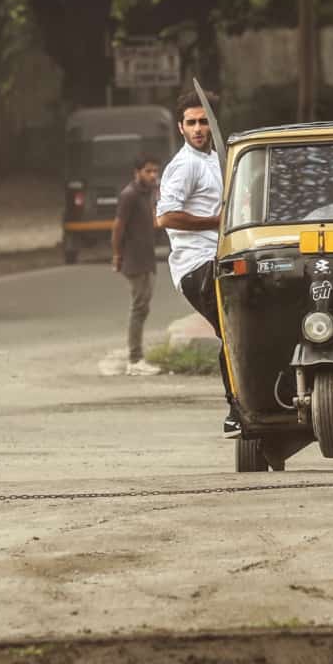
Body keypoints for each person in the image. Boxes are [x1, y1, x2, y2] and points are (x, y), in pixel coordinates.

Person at [156, 87, 239, 437]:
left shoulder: (220, 159)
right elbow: (165, 217)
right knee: (235, 333)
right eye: (191, 123)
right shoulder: (185, 165)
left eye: (204, 122)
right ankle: (237, 409)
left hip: (223, 258)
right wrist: (215, 223)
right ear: (181, 128)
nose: (198, 129)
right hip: (197, 266)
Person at [113, 154, 163, 376]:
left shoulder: (148, 194)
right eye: (148, 171)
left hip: (147, 257)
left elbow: (153, 221)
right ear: (137, 172)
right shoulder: (129, 195)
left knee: (143, 307)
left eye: (155, 171)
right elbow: (118, 227)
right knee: (139, 308)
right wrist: (117, 255)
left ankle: (136, 358)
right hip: (134, 260)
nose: (153, 175)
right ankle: (135, 360)